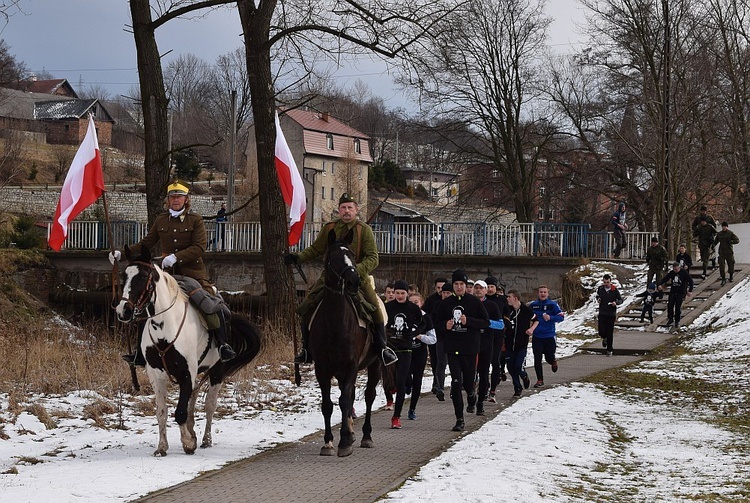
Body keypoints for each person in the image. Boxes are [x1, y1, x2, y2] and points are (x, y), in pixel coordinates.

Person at [109, 181, 236, 364]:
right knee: (146, 303)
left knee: (210, 304)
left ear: (186, 199)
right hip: (168, 275)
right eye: (172, 197)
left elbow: (199, 247)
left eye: (179, 197)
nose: (176, 200)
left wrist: (176, 257)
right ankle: (140, 351)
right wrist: (121, 254)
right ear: (168, 200)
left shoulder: (195, 220)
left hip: (193, 273)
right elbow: (147, 243)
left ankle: (222, 345)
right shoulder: (161, 220)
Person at [285, 193, 397, 366]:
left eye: (350, 207)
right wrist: (298, 258)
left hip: (358, 279)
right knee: (306, 306)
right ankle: (306, 349)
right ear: (338, 210)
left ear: (356, 210)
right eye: (343, 208)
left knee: (375, 308)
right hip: (330, 279)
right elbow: (316, 249)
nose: (346, 211)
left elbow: (373, 258)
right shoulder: (329, 228)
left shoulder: (363, 230)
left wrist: (355, 271)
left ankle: (382, 349)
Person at [434, 269, 489, 432]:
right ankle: (459, 419)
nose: (459, 287)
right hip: (452, 348)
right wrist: (445, 325)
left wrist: (469, 321)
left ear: (466, 286)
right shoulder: (446, 303)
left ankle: (472, 395)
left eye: (461, 284)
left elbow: (485, 322)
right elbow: (436, 324)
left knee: (468, 383)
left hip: (470, 348)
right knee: (456, 383)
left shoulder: (474, 302)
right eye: (456, 284)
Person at [384, 280, 424, 429]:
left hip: (406, 349)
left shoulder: (413, 308)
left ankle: (396, 417)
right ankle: (392, 389)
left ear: (407, 294)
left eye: (402, 293)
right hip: (390, 348)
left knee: (401, 383)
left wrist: (414, 333)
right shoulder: (387, 307)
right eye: (397, 293)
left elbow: (423, 323)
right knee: (390, 380)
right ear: (393, 294)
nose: (400, 296)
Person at [471, 280, 504, 415]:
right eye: (476, 288)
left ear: (486, 291)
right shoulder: (469, 304)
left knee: (484, 373)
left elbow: (501, 325)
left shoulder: (492, 305)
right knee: (470, 373)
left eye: (481, 288)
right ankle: (471, 396)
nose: (478, 290)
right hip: (471, 342)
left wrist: (485, 323)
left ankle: (480, 403)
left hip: (486, 342)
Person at [405, 292, 437, 421]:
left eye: (416, 302)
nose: (414, 305)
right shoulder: (405, 316)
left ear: (421, 303)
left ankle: (412, 408)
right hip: (406, 352)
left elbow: (433, 339)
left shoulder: (426, 318)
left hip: (420, 353)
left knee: (417, 380)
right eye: (411, 302)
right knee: (405, 377)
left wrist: (420, 337)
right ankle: (407, 384)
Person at [528, 285, 564, 388]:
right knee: (537, 358)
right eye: (541, 292)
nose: (542, 294)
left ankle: (553, 361)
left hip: (549, 335)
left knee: (549, 357)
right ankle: (540, 380)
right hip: (537, 336)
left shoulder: (553, 305)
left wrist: (551, 317)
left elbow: (561, 317)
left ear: (547, 294)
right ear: (538, 294)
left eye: (544, 292)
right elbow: (526, 315)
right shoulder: (533, 305)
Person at [504, 290, 537, 397]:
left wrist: (531, 329)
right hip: (509, 343)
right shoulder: (507, 310)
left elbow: (537, 320)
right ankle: (517, 387)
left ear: (516, 298)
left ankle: (524, 376)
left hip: (521, 344)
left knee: (518, 366)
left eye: (509, 297)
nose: (507, 299)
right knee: (510, 367)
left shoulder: (526, 310)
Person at [422, 277, 447, 395]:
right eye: (438, 288)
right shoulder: (431, 300)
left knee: (444, 361)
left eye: (443, 288)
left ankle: (441, 382)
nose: (441, 290)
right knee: (435, 359)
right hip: (434, 333)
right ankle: (436, 381)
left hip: (447, 335)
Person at [485, 276, 508, 399]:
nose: (489, 289)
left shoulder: (501, 300)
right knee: (483, 363)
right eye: (487, 287)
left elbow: (507, 315)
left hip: (498, 335)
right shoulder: (481, 300)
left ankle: (493, 390)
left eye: (492, 287)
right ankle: (484, 385)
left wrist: (505, 324)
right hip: (483, 335)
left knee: (495, 361)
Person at [430, 282, 453, 401]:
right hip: (441, 337)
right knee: (441, 362)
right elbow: (434, 320)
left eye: (448, 293)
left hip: (455, 338)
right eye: (444, 293)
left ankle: (455, 385)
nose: (445, 295)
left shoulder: (455, 304)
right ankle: (440, 387)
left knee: (455, 363)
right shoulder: (437, 304)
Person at [658, 261, 694, 328]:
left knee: (677, 307)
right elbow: (665, 279)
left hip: (681, 292)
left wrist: (690, 291)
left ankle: (677, 321)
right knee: (670, 305)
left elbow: (691, 281)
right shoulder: (672, 273)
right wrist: (660, 284)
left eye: (676, 269)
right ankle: (670, 318)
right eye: (674, 269)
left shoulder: (684, 273)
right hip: (673, 292)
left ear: (679, 267)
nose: (675, 270)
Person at [596, 274, 623, 356]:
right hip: (602, 312)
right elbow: (597, 295)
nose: (606, 284)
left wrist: (616, 303)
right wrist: (598, 299)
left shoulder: (614, 290)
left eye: (607, 282)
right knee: (601, 331)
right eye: (604, 282)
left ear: (610, 282)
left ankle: (609, 350)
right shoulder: (600, 289)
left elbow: (621, 300)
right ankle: (604, 338)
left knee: (610, 332)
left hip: (611, 314)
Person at [714, 221, 740, 286]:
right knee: (721, 266)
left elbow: (737, 240)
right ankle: (723, 278)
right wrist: (712, 246)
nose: (724, 228)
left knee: (731, 264)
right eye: (723, 226)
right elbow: (716, 241)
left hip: (729, 252)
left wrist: (731, 241)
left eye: (725, 226)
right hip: (722, 252)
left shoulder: (730, 233)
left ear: (727, 227)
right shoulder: (719, 234)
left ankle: (731, 276)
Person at [692, 205, 717, 269]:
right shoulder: (698, 218)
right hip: (701, 237)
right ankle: (706, 263)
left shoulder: (709, 218)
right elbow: (693, 226)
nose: (703, 212)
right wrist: (697, 231)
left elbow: (714, 227)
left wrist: (712, 234)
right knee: (702, 253)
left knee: (710, 251)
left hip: (709, 238)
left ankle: (709, 263)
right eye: (702, 211)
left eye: (704, 211)